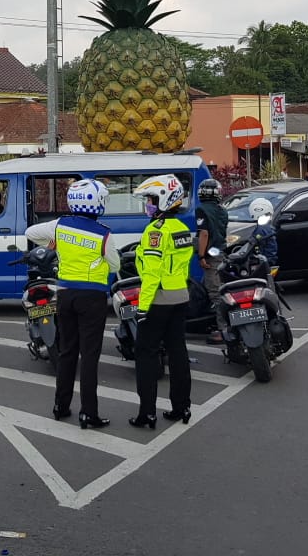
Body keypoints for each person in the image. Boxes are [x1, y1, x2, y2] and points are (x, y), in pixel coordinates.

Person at [24, 179, 120, 430]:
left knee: (67, 351)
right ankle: (89, 413)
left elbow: (30, 233)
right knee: (89, 356)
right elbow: (115, 265)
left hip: (65, 295)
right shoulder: (103, 233)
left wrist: (52, 245)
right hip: (92, 298)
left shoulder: (60, 225)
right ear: (96, 203)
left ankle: (61, 406)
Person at [128, 175, 193, 430]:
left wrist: (143, 307)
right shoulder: (181, 228)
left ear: (166, 200)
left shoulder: (156, 231)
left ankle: (147, 414)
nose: (148, 205)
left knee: (145, 354)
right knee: (178, 352)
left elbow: (152, 274)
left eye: (152, 200)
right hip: (180, 296)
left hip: (158, 300)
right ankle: (181, 407)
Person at [195, 179, 228, 295]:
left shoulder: (201, 209)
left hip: (210, 255)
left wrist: (201, 256)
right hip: (221, 251)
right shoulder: (223, 210)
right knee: (218, 283)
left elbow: (204, 233)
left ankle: (220, 313)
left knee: (214, 290)